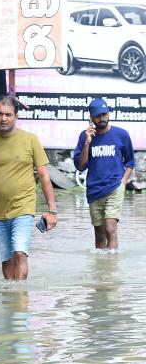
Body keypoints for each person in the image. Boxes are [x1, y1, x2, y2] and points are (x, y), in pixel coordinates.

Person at [0, 96, 57, 280]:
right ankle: (11, 300)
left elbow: (44, 176)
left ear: (16, 116)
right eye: (0, 114)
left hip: (24, 207)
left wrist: (52, 210)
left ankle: (20, 302)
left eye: (8, 114)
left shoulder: (30, 140)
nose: (4, 118)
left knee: (19, 252)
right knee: (6, 260)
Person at [73, 98, 134, 251]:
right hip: (94, 190)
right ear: (91, 118)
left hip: (115, 187)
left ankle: (112, 267)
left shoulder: (121, 134)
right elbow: (81, 166)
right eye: (98, 116)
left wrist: (123, 181)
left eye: (104, 114)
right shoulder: (84, 136)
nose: (102, 118)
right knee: (99, 234)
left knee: (110, 228)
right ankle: (101, 270)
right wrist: (87, 142)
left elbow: (130, 161)